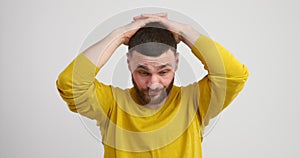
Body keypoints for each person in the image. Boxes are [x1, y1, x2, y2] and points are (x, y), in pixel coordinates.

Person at [56, 13, 249, 158]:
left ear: (176, 62)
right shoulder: (112, 105)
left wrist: (184, 31)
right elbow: (70, 83)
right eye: (143, 72)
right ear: (129, 63)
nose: (153, 83)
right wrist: (119, 35)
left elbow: (234, 74)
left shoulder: (195, 101)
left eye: (163, 72)